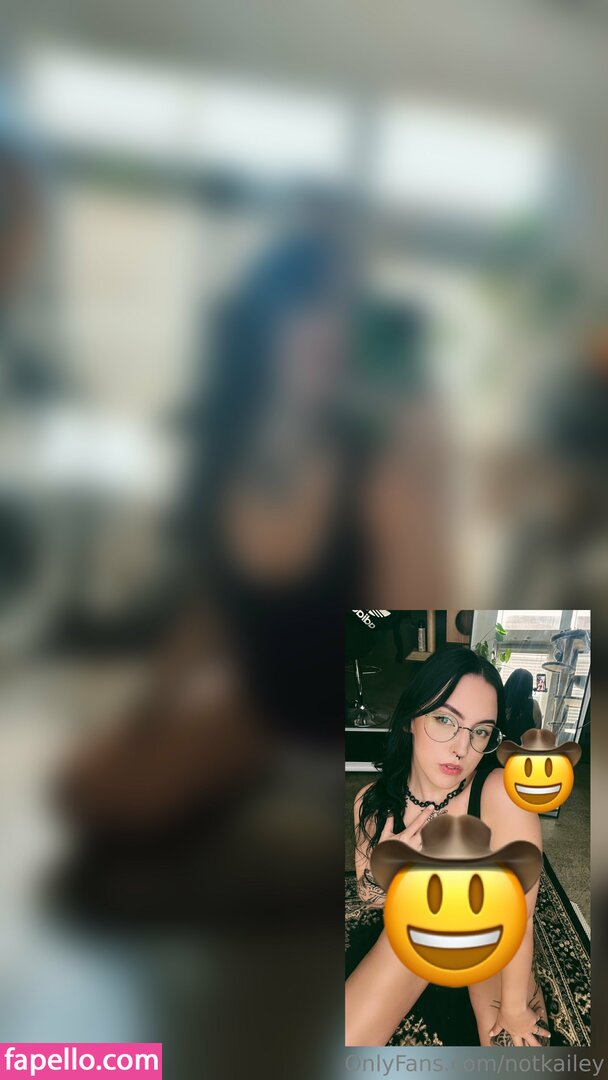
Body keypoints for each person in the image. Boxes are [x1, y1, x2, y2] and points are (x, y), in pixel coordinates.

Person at [346, 644, 548, 1047]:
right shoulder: (372, 803)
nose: (461, 748)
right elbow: (369, 898)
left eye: (480, 731)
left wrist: (513, 1007)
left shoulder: (501, 795)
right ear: (411, 718)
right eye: (444, 720)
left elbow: (521, 918)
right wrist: (386, 872)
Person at [504, 668, 542, 745]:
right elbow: (537, 731)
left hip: (498, 749)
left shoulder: (499, 702)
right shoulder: (533, 706)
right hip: (522, 750)